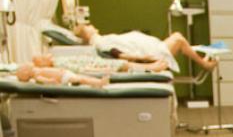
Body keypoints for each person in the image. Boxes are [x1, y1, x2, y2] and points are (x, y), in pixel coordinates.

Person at [73, 24, 218, 72]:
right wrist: (145, 59)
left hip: (153, 48)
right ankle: (205, 64)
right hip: (150, 54)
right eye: (88, 26)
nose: (91, 25)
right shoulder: (99, 42)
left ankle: (197, 53)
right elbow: (119, 55)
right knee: (178, 38)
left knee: (179, 40)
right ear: (87, 32)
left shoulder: (100, 40)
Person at [32, 53, 169, 74]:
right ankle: (149, 68)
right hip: (94, 67)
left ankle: (150, 66)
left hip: (93, 61)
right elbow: (79, 69)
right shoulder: (57, 66)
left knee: (122, 63)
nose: (48, 54)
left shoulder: (58, 60)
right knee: (121, 65)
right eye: (44, 57)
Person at [14, 63, 108, 88]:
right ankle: (99, 82)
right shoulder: (36, 75)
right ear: (26, 73)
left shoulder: (37, 70)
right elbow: (44, 80)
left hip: (64, 74)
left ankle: (98, 82)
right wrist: (52, 82)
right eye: (25, 67)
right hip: (63, 78)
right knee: (82, 80)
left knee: (82, 78)